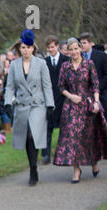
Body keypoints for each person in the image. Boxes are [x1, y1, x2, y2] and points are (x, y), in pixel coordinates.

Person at [53, 38, 107, 182]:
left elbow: (95, 85)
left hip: (87, 105)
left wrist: (96, 102)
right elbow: (60, 87)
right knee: (73, 138)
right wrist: (71, 96)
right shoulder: (65, 66)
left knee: (88, 137)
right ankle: (76, 170)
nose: (73, 52)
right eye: (70, 49)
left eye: (75, 49)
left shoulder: (89, 64)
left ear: (80, 49)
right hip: (71, 106)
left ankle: (94, 162)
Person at [4, 30, 54, 186]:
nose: (25, 50)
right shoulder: (14, 65)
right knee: (26, 138)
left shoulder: (41, 63)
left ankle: (33, 169)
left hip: (37, 105)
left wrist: (50, 104)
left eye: (28, 47)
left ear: (33, 48)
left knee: (33, 136)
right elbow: (10, 86)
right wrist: (7, 102)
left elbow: (47, 85)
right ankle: (32, 165)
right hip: (22, 105)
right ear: (20, 49)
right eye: (23, 47)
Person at [42, 35, 70, 165]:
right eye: (48, 48)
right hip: (49, 99)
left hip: (64, 98)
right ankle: (46, 154)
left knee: (64, 129)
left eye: (52, 47)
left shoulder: (66, 60)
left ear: (57, 46)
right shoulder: (44, 62)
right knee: (47, 128)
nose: (51, 49)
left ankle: (63, 154)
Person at [79, 32, 107, 122]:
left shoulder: (101, 56)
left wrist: (98, 88)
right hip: (83, 94)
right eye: (81, 43)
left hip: (100, 93)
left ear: (91, 43)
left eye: (84, 43)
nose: (82, 45)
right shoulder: (78, 57)